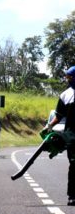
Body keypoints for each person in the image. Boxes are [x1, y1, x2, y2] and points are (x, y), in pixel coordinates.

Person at [44, 65, 75, 206]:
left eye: (70, 77)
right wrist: (49, 125)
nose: (67, 79)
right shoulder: (65, 95)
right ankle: (72, 196)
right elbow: (58, 115)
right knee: (74, 165)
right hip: (72, 136)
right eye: (67, 77)